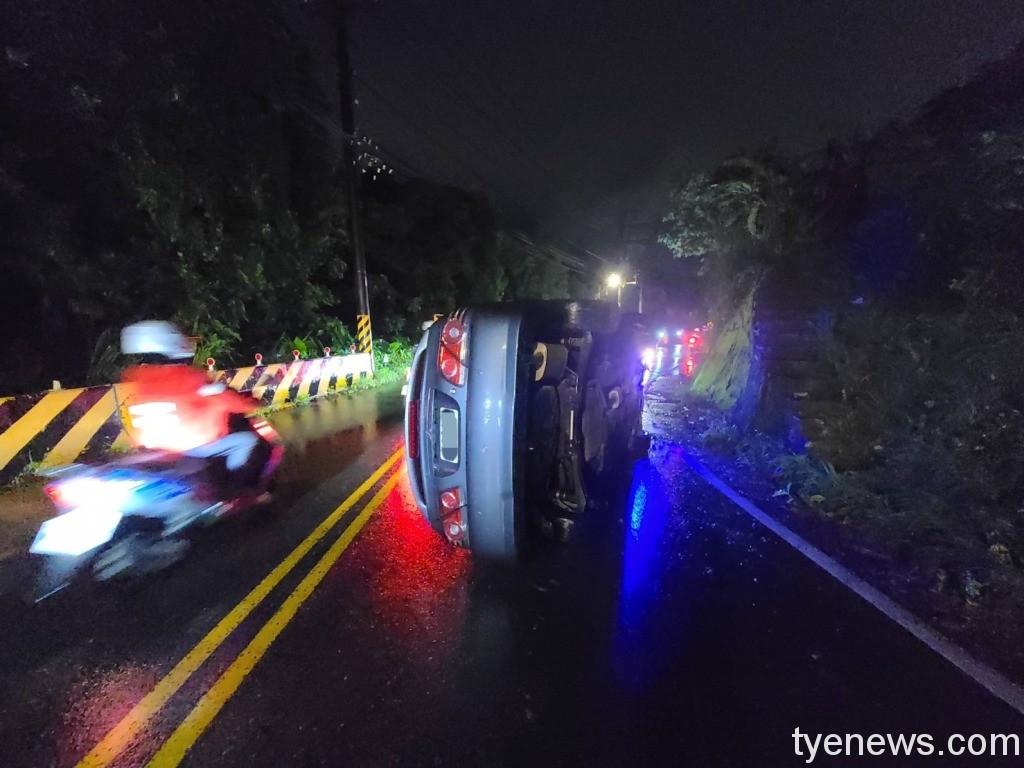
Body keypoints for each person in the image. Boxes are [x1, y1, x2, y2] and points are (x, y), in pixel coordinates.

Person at [119, 321, 263, 493]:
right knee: (248, 440)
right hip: (193, 447)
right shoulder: (189, 377)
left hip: (151, 449)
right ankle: (236, 490)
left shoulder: (136, 379)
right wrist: (251, 404)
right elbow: (230, 400)